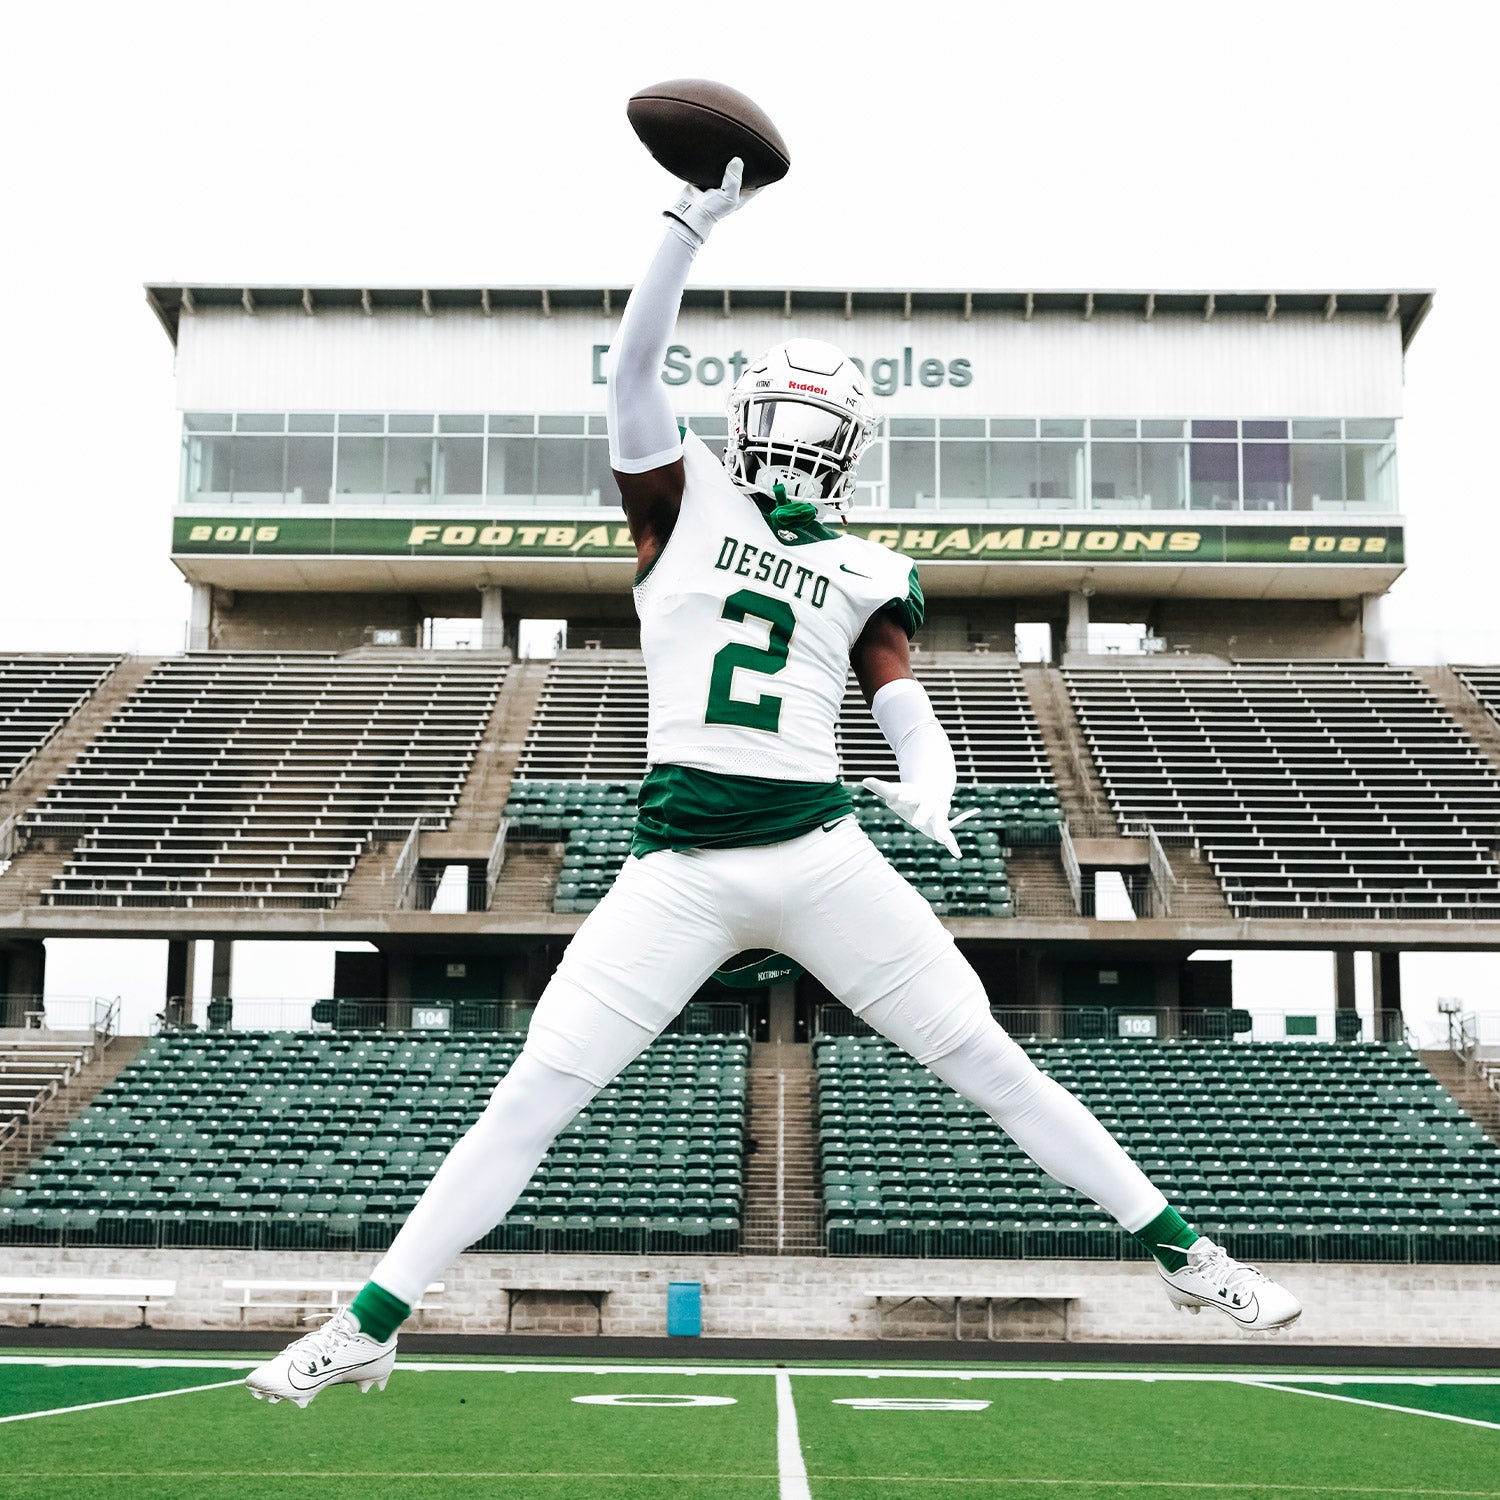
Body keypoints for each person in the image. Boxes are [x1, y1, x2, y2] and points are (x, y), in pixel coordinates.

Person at [246, 161, 1299, 1406]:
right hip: (696, 866)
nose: (799, 452)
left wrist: (926, 772)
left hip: (807, 854)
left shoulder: (797, 544)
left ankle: (1183, 1251)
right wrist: (683, 230)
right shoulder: (725, 517)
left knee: (977, 1063)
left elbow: (892, 683)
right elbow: (647, 389)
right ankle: (373, 1315)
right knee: (541, 1094)